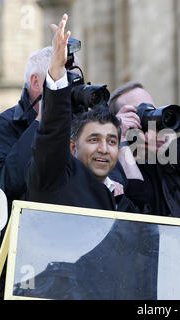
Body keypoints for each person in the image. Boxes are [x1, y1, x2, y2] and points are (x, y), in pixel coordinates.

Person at [26, 14, 133, 213]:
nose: (103, 149)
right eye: (93, 139)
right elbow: (51, 138)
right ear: (73, 147)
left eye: (111, 142)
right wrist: (57, 72)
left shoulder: (123, 199)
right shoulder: (54, 183)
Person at [108, 81, 180, 220]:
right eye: (137, 111)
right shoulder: (109, 166)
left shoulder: (175, 153)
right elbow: (137, 204)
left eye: (150, 109)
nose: (147, 116)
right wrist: (120, 140)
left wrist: (172, 150)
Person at [0, 46, 52, 212]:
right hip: (22, 232)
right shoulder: (1, 127)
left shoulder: (83, 124)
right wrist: (40, 124)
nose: (67, 88)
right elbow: (1, 188)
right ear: (36, 82)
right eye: (60, 80)